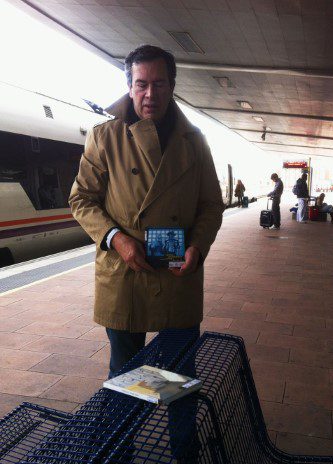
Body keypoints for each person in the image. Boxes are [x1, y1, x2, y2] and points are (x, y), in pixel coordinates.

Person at [69, 45, 224, 379]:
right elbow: (81, 199)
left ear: (171, 86)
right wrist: (117, 239)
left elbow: (211, 205)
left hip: (178, 272)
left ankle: (183, 435)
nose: (150, 93)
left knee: (180, 378)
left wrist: (198, 246)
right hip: (126, 274)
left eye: (160, 83)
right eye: (142, 84)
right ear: (130, 87)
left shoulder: (195, 142)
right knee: (126, 379)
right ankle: (122, 433)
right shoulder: (105, 137)